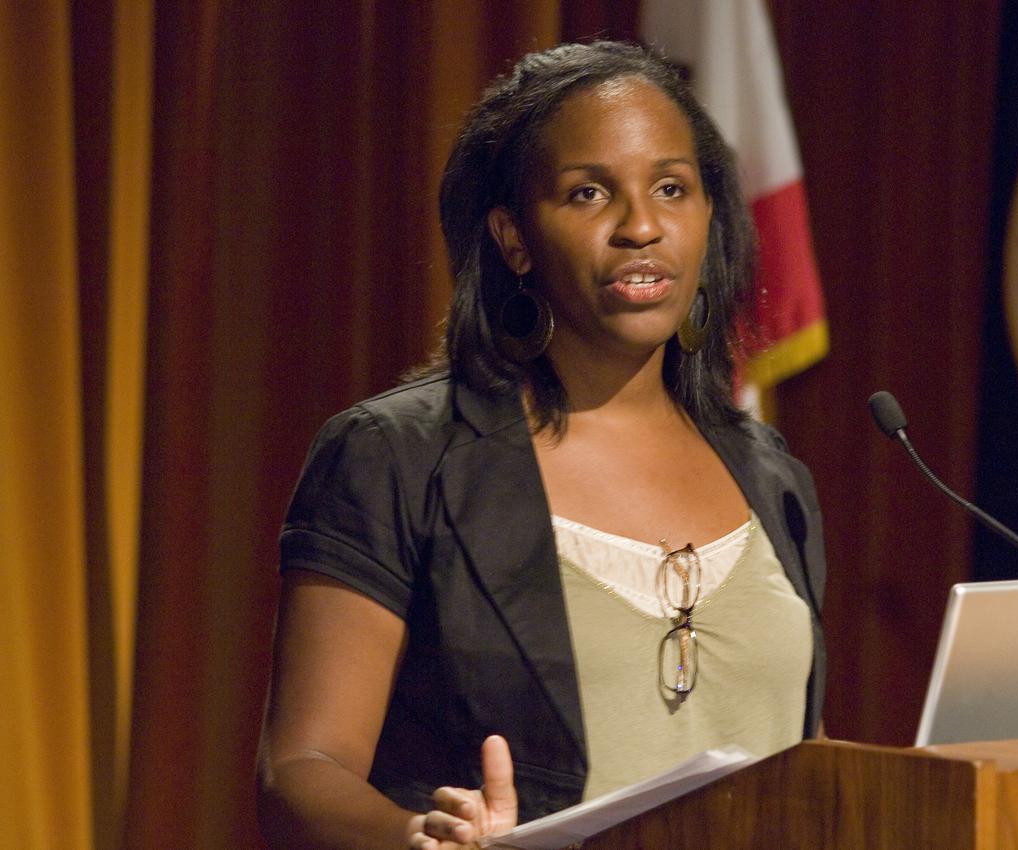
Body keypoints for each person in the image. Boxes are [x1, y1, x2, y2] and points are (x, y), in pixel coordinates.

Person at [256, 41, 826, 850]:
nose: (641, 226)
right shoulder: (396, 458)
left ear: (708, 217)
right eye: (589, 193)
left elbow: (799, 751)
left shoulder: (773, 478)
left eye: (671, 188)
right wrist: (419, 838)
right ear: (514, 238)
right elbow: (302, 768)